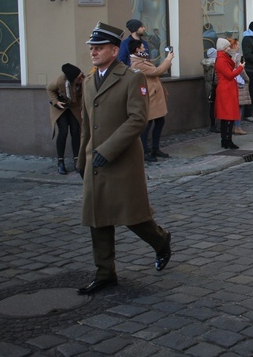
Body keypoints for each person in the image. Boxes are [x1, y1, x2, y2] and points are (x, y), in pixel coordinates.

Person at [76, 22, 172, 296]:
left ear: (114, 49)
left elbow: (137, 120)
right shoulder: (89, 81)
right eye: (92, 48)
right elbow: (86, 123)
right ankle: (105, 273)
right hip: (94, 162)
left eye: (99, 47)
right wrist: (82, 156)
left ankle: (161, 240)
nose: (93, 52)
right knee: (98, 218)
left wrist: (107, 150)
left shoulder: (132, 78)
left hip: (121, 160)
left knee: (133, 217)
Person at [129, 39, 174, 162]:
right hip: (149, 97)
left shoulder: (141, 60)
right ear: (137, 49)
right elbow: (156, 71)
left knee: (160, 122)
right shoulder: (136, 64)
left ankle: (155, 148)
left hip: (155, 96)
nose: (144, 48)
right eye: (142, 47)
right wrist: (168, 59)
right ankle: (144, 151)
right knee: (147, 125)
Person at [46, 63, 84, 174]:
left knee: (76, 130)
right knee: (63, 131)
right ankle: (60, 162)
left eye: (81, 75)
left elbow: (85, 94)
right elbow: (49, 88)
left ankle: (77, 160)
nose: (81, 79)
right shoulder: (60, 81)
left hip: (74, 107)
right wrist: (56, 101)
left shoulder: (84, 80)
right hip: (60, 107)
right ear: (72, 79)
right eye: (78, 78)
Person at [214, 37, 244, 149]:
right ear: (223, 48)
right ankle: (227, 140)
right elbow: (229, 75)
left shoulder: (223, 58)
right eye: (227, 46)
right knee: (228, 117)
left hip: (227, 89)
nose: (228, 48)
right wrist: (240, 68)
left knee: (228, 117)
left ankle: (226, 140)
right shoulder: (221, 60)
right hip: (226, 90)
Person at [229, 38, 250, 136]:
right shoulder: (237, 56)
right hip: (239, 82)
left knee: (232, 106)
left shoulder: (227, 55)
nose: (238, 46)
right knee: (239, 106)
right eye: (237, 44)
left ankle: (232, 126)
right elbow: (240, 69)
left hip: (231, 82)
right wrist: (247, 79)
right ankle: (237, 126)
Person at [201, 48, 220, 133]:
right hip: (215, 87)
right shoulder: (215, 64)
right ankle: (214, 125)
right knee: (215, 107)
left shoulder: (206, 64)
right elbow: (216, 78)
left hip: (209, 87)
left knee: (212, 106)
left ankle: (213, 124)